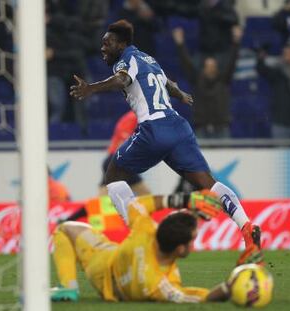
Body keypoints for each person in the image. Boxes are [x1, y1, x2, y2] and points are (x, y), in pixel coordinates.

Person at [70, 20, 261, 255]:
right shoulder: (147, 58)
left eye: (107, 44)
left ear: (121, 44)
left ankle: (140, 236)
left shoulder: (125, 60)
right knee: (208, 184)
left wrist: (91, 88)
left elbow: (122, 80)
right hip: (179, 127)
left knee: (113, 175)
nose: (103, 49)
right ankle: (246, 226)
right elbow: (166, 82)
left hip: (154, 129)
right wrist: (180, 94)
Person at [50, 183, 260, 302]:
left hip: (102, 259)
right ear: (180, 249)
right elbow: (196, 297)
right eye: (193, 239)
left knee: (65, 228)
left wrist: (184, 200)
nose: (194, 243)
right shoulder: (158, 284)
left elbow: (137, 204)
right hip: (114, 284)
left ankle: (69, 287)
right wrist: (232, 286)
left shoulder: (146, 230)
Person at [172, 25, 242, 138]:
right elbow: (186, 64)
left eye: (213, 66)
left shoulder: (224, 80)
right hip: (201, 128)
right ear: (204, 68)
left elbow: (232, 62)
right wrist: (180, 44)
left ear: (217, 68)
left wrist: (236, 42)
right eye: (208, 66)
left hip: (221, 128)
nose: (211, 68)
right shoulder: (197, 80)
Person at [98, 110, 150, 196]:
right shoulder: (132, 118)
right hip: (118, 160)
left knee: (105, 194)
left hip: (121, 161)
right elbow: (123, 144)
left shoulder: (139, 117)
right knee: (105, 195)